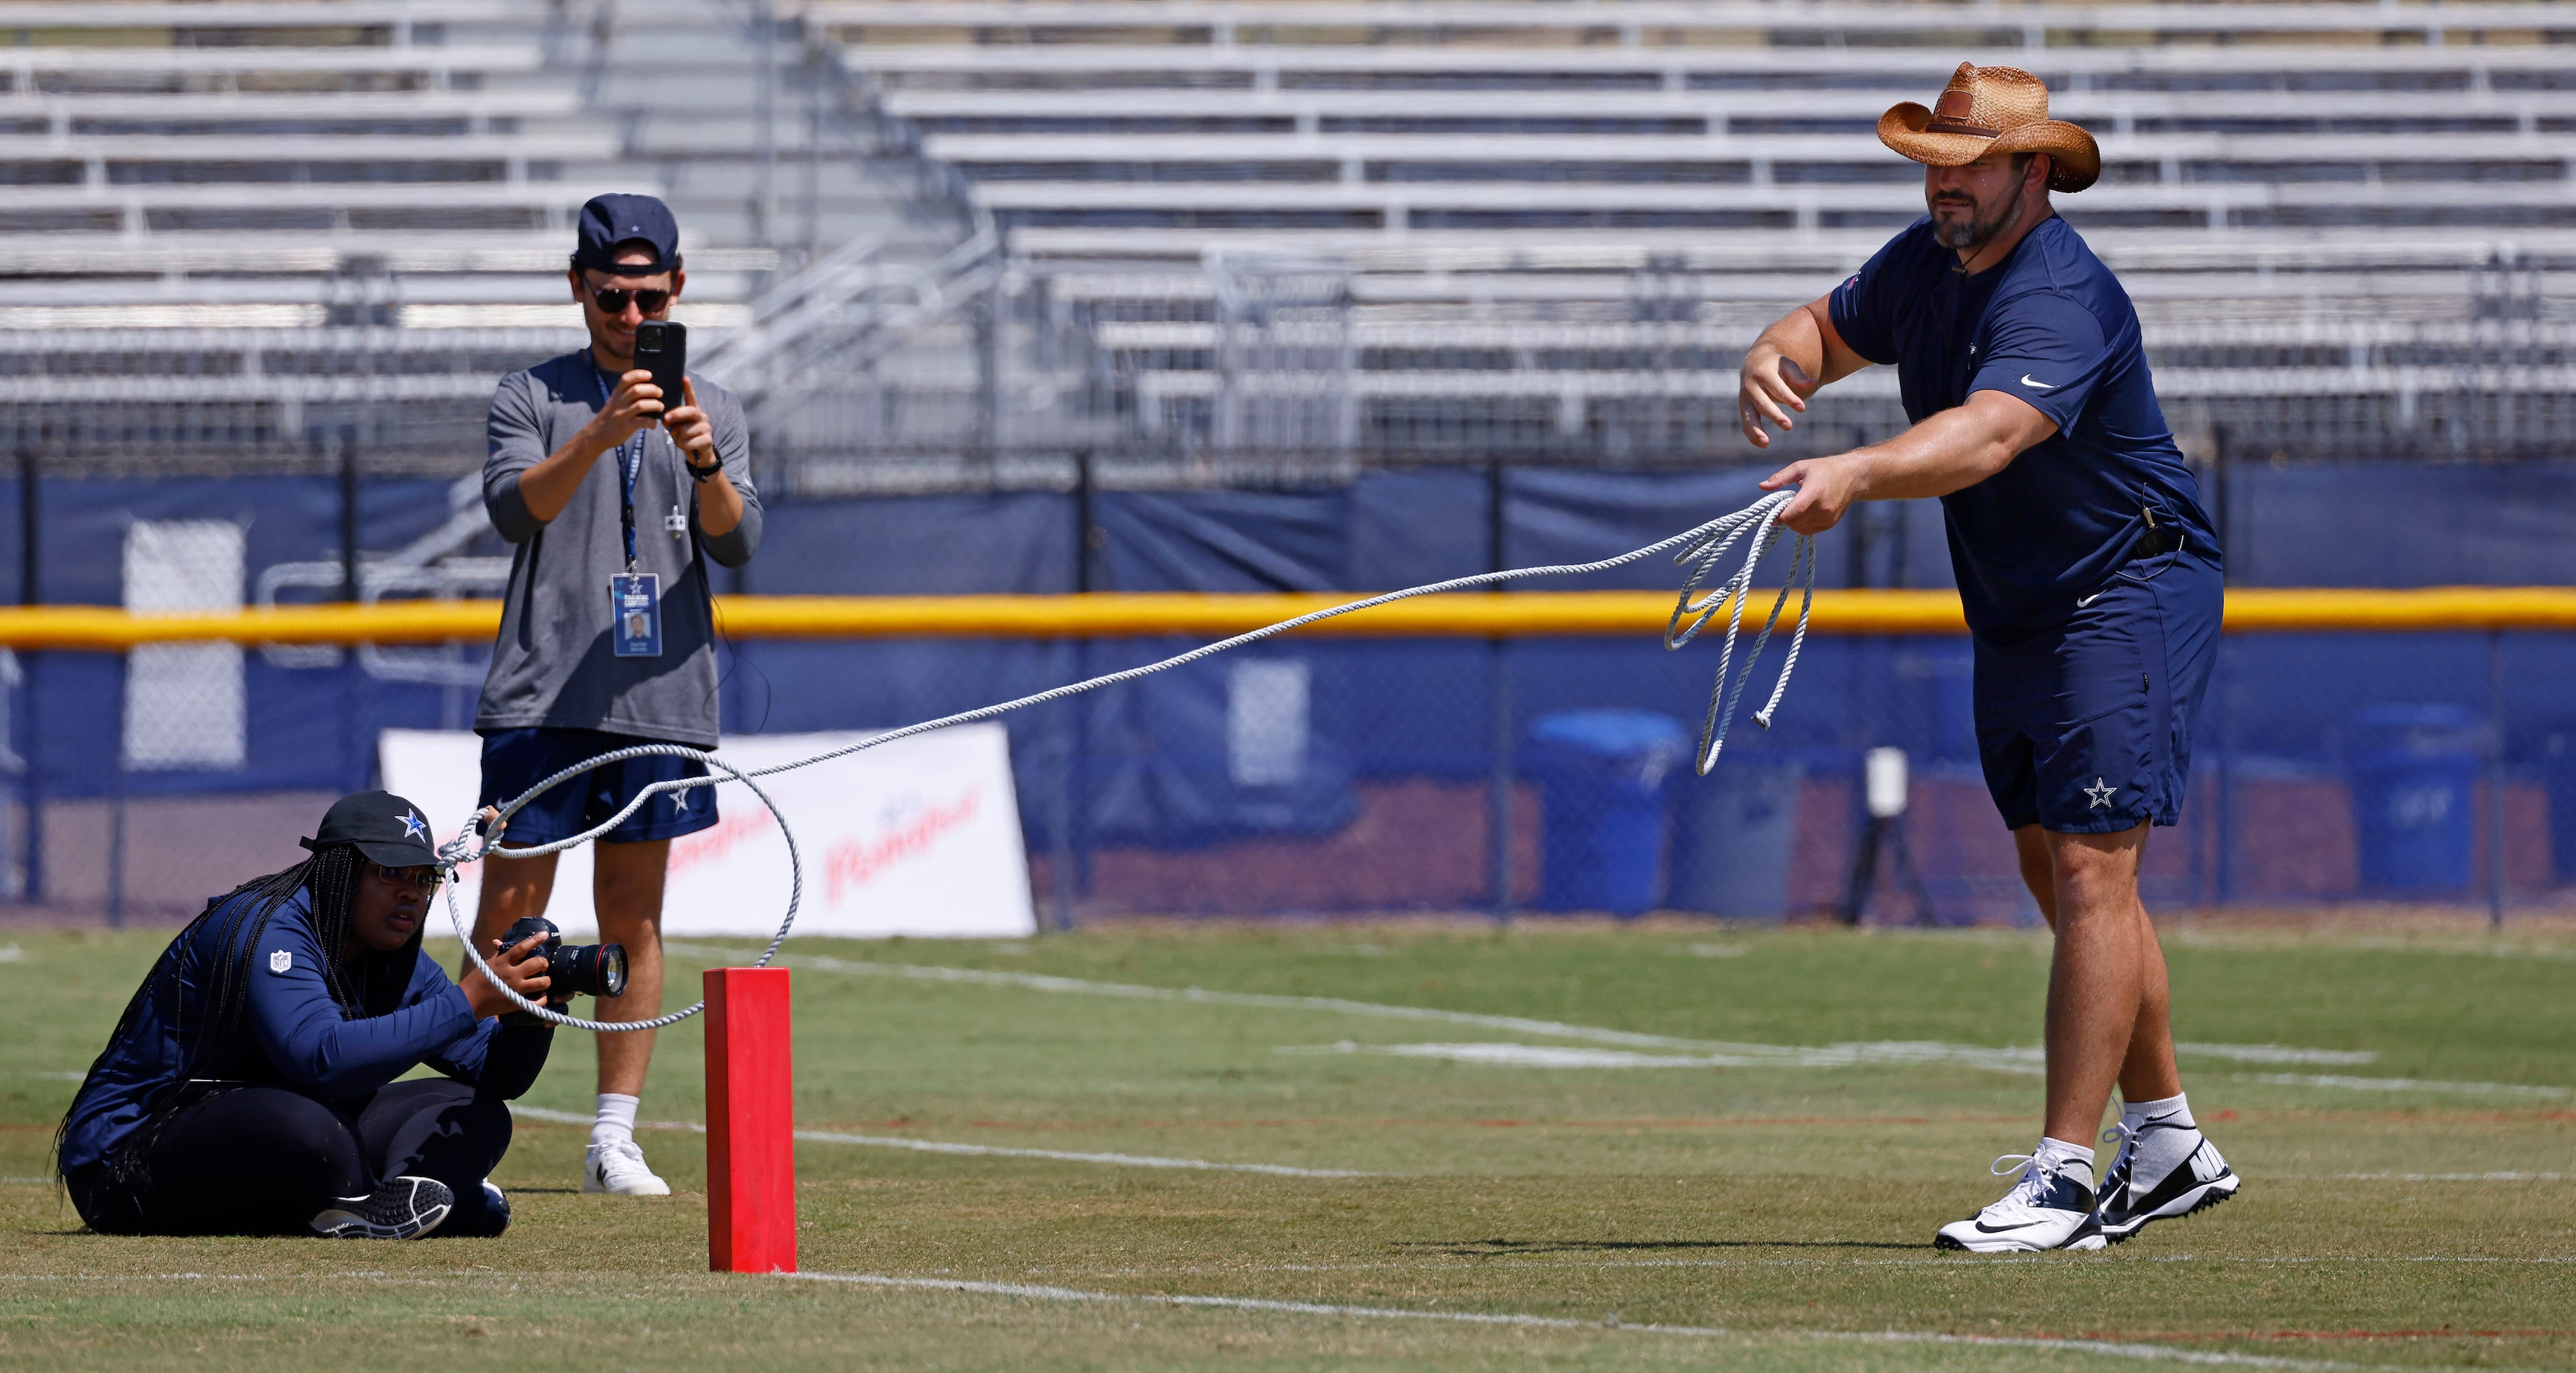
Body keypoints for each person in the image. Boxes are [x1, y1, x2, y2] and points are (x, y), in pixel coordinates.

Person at [1735, 64, 2238, 1252]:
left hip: (2127, 586)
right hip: (2023, 599)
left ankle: (2062, 1178)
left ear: (2032, 169)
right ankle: (2162, 1137)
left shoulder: (2059, 291)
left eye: (1964, 160)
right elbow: (1824, 322)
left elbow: (1991, 432)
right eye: (1929, 156)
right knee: (2050, 865)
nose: (1938, 178)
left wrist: (1855, 469)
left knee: (2087, 868)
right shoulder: (1925, 259)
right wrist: (1779, 345)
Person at [473, 192, 761, 1196]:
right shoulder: (531, 397)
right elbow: (518, 512)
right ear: (577, 288)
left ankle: (612, 1138)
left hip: (660, 699)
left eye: (647, 296)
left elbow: (738, 539)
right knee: (515, 919)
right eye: (610, 297)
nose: (631, 317)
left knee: (633, 919)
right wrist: (599, 433)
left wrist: (702, 456)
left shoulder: (712, 404)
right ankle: (465, 1125)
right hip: (544, 693)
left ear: (679, 289)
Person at [55, 791, 556, 1238]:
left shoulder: (394, 958)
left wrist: (534, 1012)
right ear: (337, 870)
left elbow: (496, 1073)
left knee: (477, 1110)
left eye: (423, 877)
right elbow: (319, 1059)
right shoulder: (267, 925)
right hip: (124, 1161)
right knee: (312, 1132)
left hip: (273, 1134)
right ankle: (381, 1200)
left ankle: (387, 1203)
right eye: (389, 872)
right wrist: (469, 1001)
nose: (411, 891)